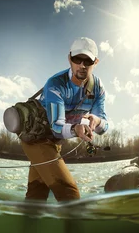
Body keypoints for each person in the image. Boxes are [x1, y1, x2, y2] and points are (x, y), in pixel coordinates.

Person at [21, 37, 109, 202]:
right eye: (77, 59)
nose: (82, 65)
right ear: (69, 58)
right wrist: (76, 129)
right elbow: (56, 127)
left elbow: (104, 126)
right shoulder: (55, 84)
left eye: (88, 60)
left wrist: (96, 121)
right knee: (70, 195)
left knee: (36, 196)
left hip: (55, 144)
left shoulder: (98, 89)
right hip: (36, 138)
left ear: (95, 62)